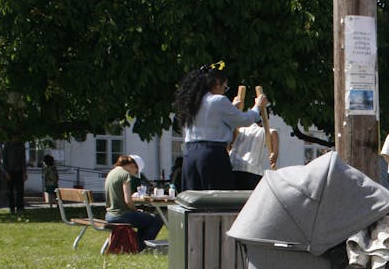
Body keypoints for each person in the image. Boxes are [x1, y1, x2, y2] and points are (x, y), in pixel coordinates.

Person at [173, 61, 266, 191]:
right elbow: (244, 120)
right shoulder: (218, 100)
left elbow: (213, 120)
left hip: (190, 154)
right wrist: (257, 107)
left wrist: (232, 109)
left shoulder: (193, 102)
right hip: (212, 155)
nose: (224, 91)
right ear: (217, 83)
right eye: (224, 87)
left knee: (194, 199)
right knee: (218, 198)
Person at [104, 155, 164, 251]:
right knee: (156, 220)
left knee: (144, 219)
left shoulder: (112, 172)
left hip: (109, 215)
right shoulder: (125, 175)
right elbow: (128, 200)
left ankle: (136, 245)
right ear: (132, 165)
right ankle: (140, 247)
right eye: (136, 171)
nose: (134, 174)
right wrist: (136, 210)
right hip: (121, 215)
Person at [229, 121, 279, 190]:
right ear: (261, 123)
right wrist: (274, 154)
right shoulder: (264, 131)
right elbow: (273, 133)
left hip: (234, 168)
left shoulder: (239, 129)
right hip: (252, 171)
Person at [1, 141, 26, 214]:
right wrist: (6, 172)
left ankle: (20, 208)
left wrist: (24, 173)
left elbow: (23, 160)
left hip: (19, 170)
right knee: (9, 191)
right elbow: (4, 160)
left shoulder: (21, 145)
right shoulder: (7, 145)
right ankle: (12, 208)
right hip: (10, 171)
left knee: (20, 190)